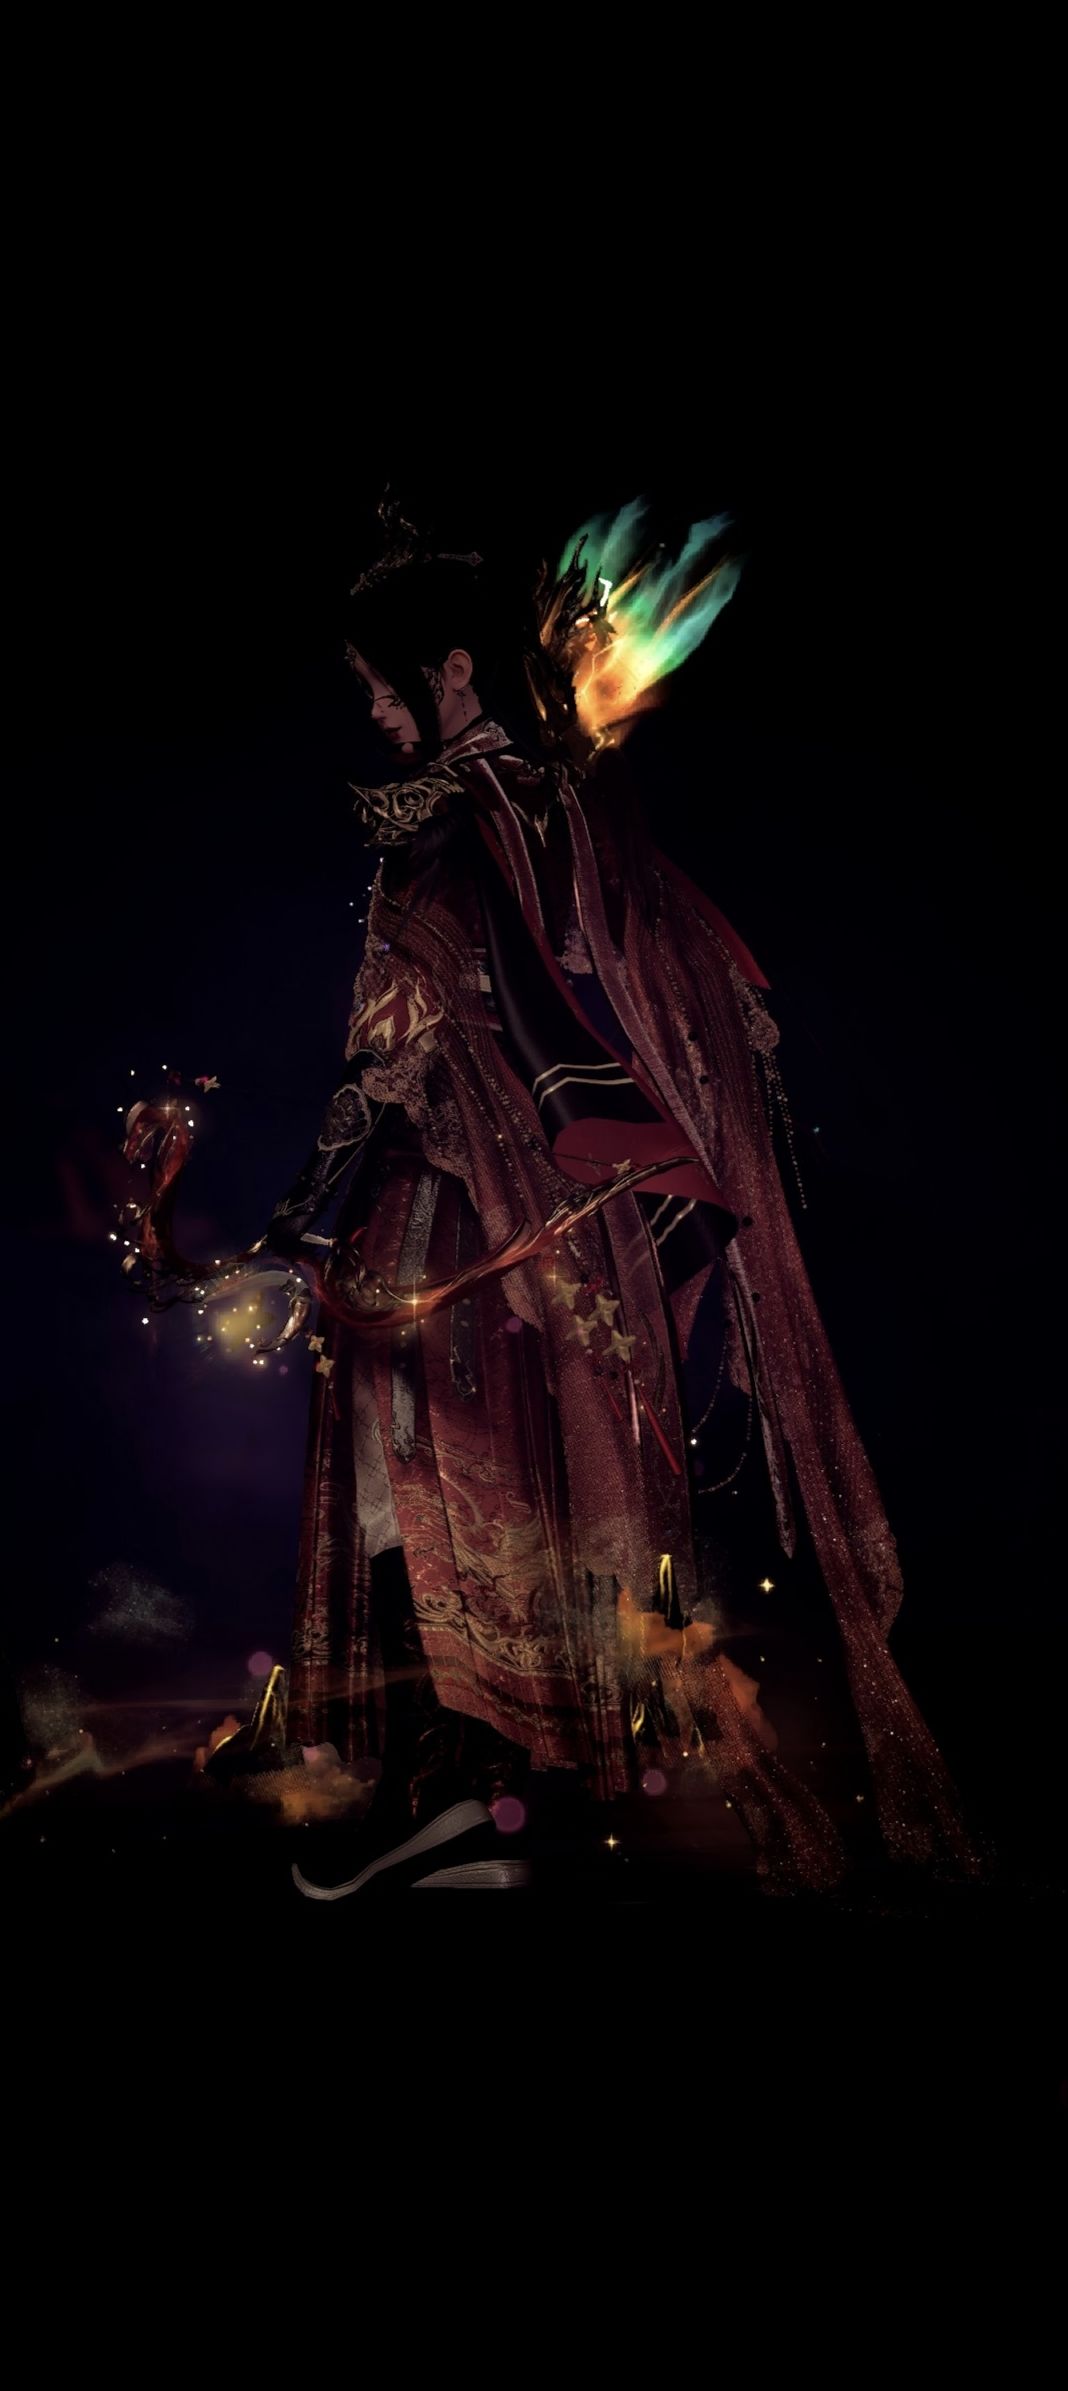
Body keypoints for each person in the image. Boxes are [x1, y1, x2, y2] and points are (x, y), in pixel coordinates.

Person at [237, 499, 979, 1901]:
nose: (375, 709)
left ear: (454, 669)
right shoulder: (563, 805)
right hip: (532, 1221)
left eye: (386, 683)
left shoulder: (462, 820)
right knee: (482, 1486)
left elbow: (395, 1049)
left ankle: (462, 1792)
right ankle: (473, 1795)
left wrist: (299, 1213)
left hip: (460, 1220)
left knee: (420, 1483)